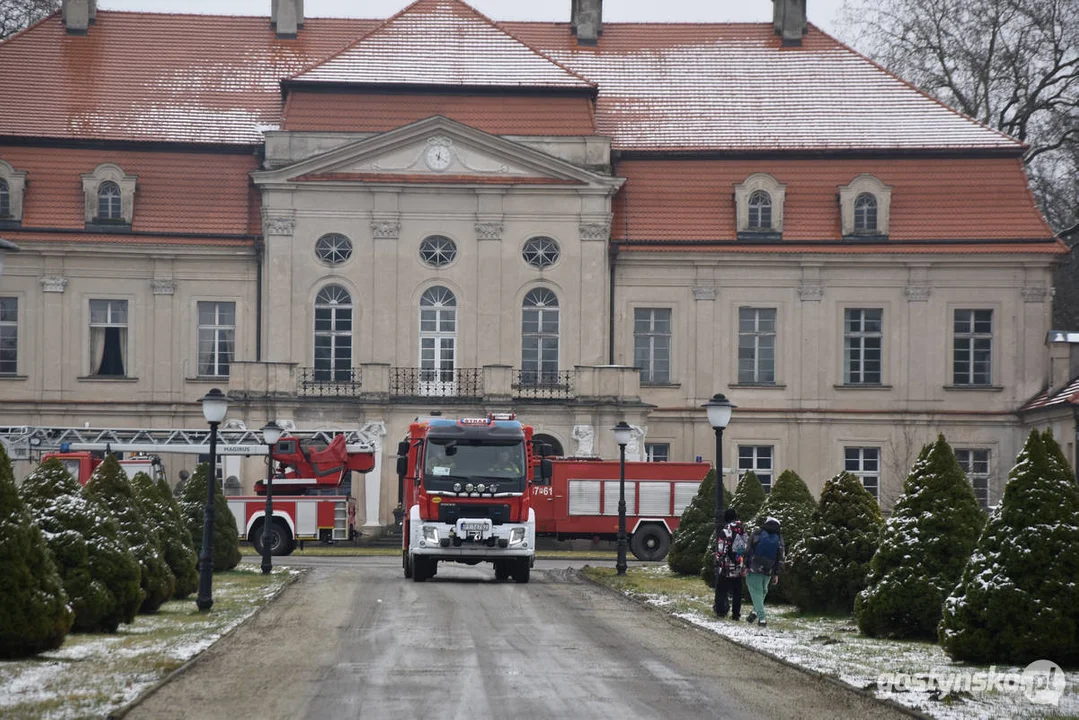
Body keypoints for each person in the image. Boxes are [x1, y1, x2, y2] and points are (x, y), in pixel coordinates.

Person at [745, 516, 785, 628]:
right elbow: (781, 557)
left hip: (754, 567)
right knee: (762, 591)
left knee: (756, 592)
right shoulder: (779, 537)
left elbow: (748, 550)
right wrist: (776, 573)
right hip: (769, 569)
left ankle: (762, 619)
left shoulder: (757, 533)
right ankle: (754, 612)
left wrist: (746, 566)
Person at [713, 508, 748, 620]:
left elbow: (722, 548)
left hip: (727, 565)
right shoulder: (742, 530)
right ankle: (736, 614)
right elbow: (746, 546)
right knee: (737, 591)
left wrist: (718, 559)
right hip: (739, 564)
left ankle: (721, 611)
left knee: (721, 589)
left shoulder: (726, 530)